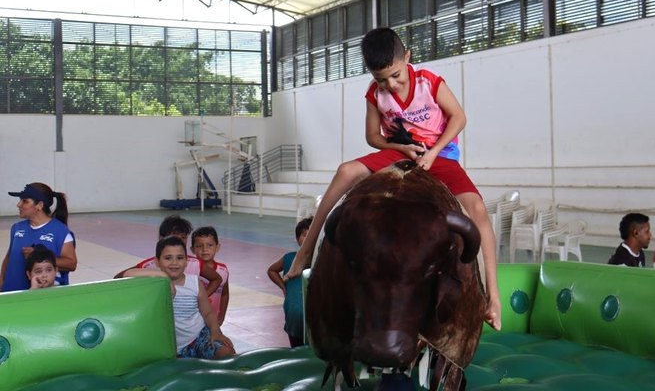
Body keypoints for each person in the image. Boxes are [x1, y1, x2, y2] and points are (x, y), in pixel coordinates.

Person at [284, 27, 501, 330]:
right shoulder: (375, 94)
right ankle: (306, 251)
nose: (391, 84)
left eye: (396, 75)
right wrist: (400, 148)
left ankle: (492, 296)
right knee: (345, 171)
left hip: (440, 154)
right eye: (381, 79)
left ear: (407, 57)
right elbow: (372, 136)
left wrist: (433, 153)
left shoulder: (429, 82)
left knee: (477, 210)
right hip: (400, 152)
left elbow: (459, 117)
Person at [123, 236, 235, 358]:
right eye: (168, 258)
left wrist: (215, 331)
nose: (174, 263)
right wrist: (163, 276)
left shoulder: (194, 283)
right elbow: (127, 274)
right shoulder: (153, 283)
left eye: (180, 258)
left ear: (186, 261)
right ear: (157, 262)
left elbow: (208, 313)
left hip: (198, 337)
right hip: (169, 347)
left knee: (226, 352)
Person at [114, 215, 222, 296]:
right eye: (174, 236)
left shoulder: (195, 264)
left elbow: (216, 279)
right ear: (161, 238)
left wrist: (201, 298)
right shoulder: (150, 265)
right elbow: (118, 278)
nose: (179, 240)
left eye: (183, 237)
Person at [1, 183, 77, 292]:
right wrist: (2, 282)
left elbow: (71, 264)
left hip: (43, 296)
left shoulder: (61, 231)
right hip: (11, 292)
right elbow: (9, 257)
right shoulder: (17, 228)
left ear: (39, 205)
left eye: (25, 201)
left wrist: (38, 256)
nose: (18, 204)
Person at [267, 217, 311, 347]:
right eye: (304, 235)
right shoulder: (289, 258)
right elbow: (271, 270)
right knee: (296, 347)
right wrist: (283, 287)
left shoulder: (320, 260)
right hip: (293, 317)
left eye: (311, 235)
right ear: (297, 239)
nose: (308, 239)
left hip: (313, 319)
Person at [191, 226, 230, 325]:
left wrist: (221, 316)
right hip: (193, 322)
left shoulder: (223, 270)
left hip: (213, 321)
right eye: (199, 246)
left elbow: (225, 294)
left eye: (210, 245)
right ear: (192, 249)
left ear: (217, 247)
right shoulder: (190, 269)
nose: (205, 249)